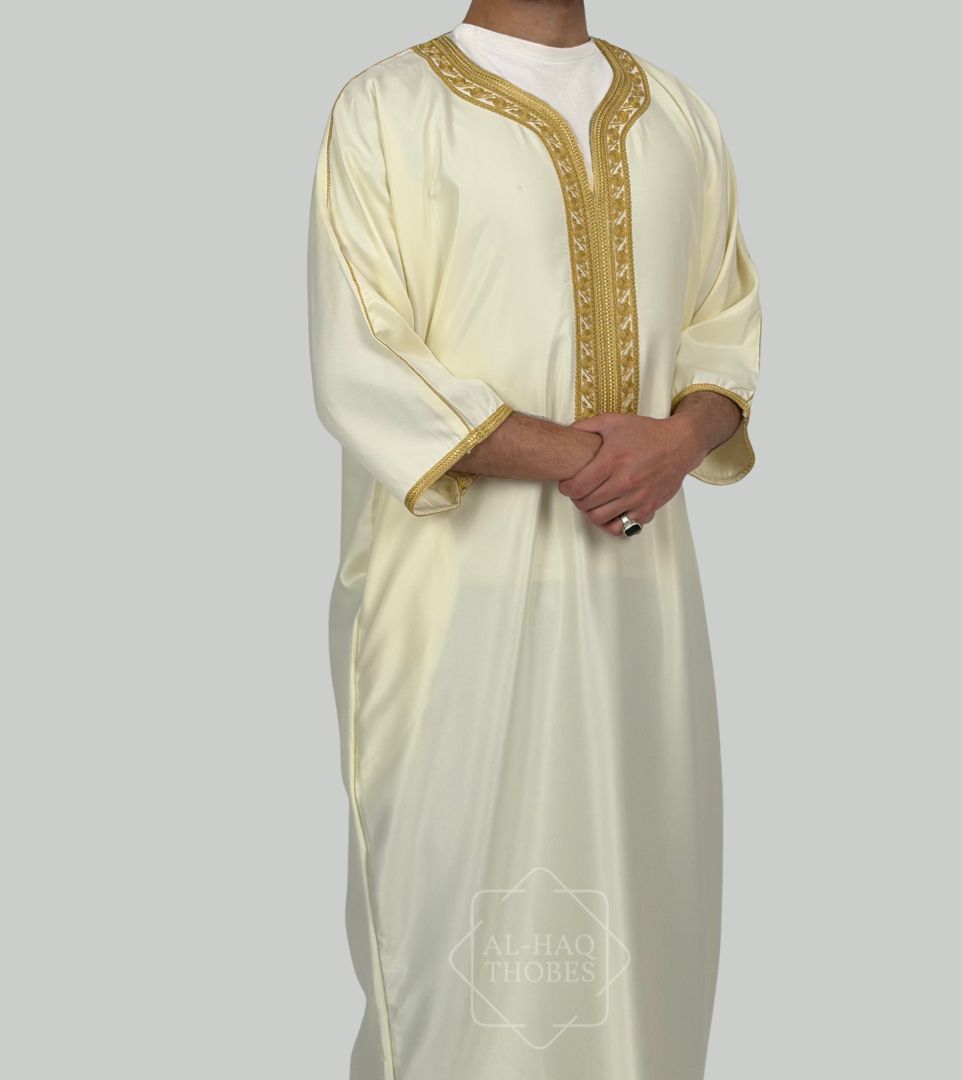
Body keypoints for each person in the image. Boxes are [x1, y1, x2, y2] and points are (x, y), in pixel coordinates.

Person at [306, 1, 762, 1075]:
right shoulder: (387, 109)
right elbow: (362, 356)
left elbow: (726, 330)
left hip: (641, 608)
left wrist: (680, 439)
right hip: (450, 606)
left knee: (649, 914)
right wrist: (587, 455)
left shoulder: (677, 115)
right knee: (453, 932)